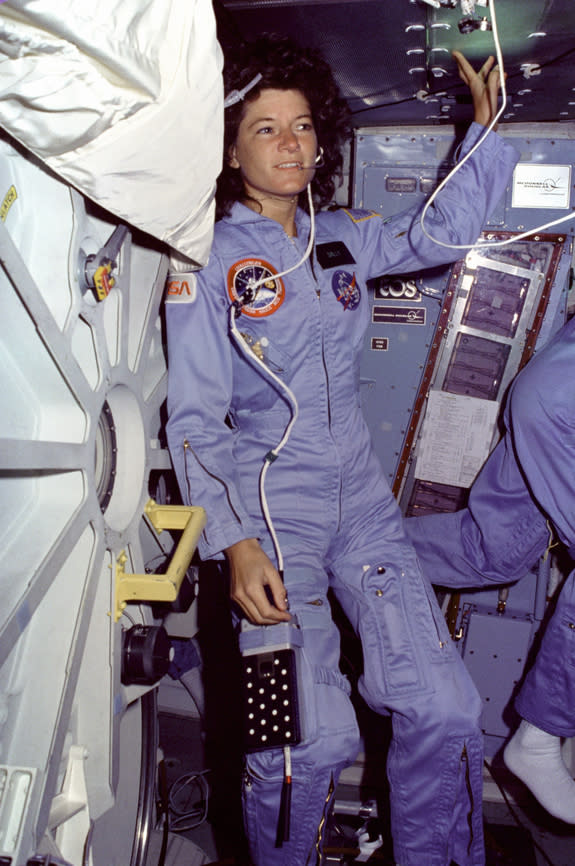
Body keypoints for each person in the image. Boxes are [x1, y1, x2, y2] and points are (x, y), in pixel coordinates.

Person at [165, 33, 519, 866]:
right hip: (270, 514)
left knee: (444, 708)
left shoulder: (343, 238)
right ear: (229, 147)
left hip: (360, 506)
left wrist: (485, 129)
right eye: (264, 129)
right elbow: (193, 417)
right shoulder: (207, 263)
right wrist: (234, 540)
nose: (290, 144)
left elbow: (436, 236)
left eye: (300, 127)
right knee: (301, 746)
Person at [405, 313, 575, 825]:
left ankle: (336, 546)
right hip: (564, 404)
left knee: (493, 548)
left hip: (555, 382)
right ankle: (540, 739)